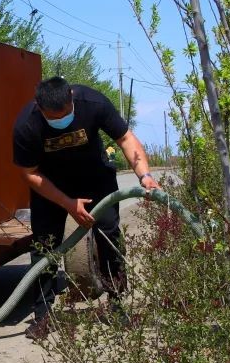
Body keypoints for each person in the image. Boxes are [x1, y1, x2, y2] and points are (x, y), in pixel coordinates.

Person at [12, 76, 161, 340]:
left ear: (71, 96)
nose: (61, 120)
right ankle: (42, 316)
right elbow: (29, 174)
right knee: (44, 246)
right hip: (51, 186)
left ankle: (115, 304)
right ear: (38, 106)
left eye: (66, 114)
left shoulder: (92, 102)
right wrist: (67, 203)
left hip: (95, 179)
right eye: (53, 117)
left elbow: (125, 138)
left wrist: (144, 175)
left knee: (109, 235)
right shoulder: (27, 125)